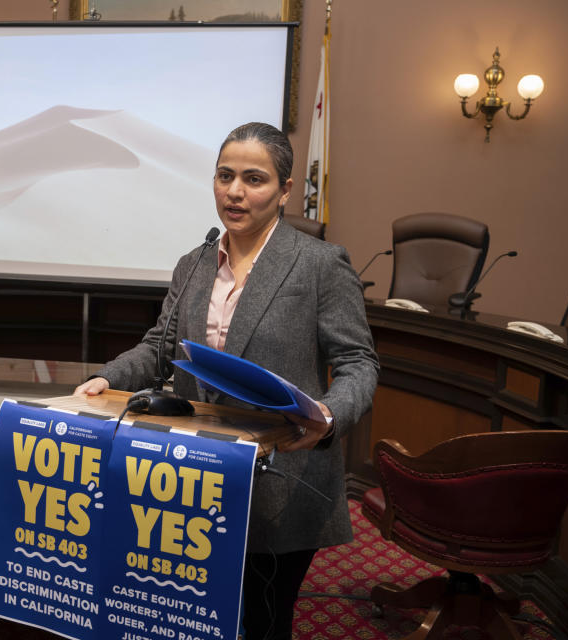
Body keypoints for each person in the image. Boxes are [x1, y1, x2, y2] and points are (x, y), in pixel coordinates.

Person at [74, 122, 379, 639]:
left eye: (254, 179)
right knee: (191, 616)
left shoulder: (320, 264)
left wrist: (328, 417)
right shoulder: (193, 263)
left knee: (262, 621)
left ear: (285, 190)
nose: (235, 192)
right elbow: (160, 346)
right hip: (193, 476)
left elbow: (359, 363)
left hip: (280, 478)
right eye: (224, 176)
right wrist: (106, 378)